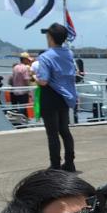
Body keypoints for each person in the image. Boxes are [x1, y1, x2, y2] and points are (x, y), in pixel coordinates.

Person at [33, 23, 79, 172]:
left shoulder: (45, 57)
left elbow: (43, 80)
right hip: (65, 96)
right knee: (64, 131)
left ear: (50, 38)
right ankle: (70, 163)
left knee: (52, 134)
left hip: (50, 96)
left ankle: (55, 166)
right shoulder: (69, 54)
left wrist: (35, 77)